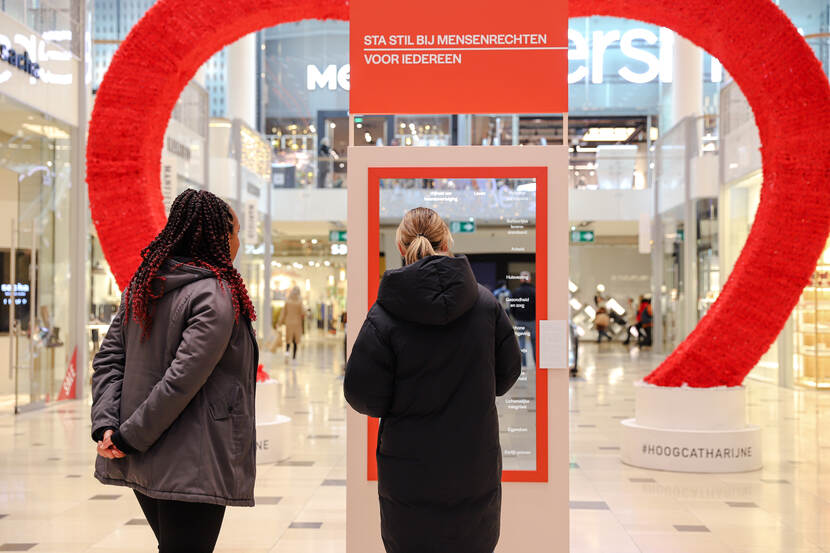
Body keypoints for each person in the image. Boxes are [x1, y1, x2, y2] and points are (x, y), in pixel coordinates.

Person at [344, 207, 521, 553]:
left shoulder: (385, 313)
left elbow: (362, 393)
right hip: (474, 464)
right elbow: (507, 374)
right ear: (448, 242)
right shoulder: (486, 306)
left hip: (408, 470)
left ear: (400, 247)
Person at [90, 189, 258, 553]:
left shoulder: (144, 285)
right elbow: (180, 382)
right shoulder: (214, 295)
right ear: (219, 234)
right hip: (192, 463)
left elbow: (108, 360)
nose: (239, 242)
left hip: (141, 457)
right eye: (237, 232)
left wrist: (109, 427)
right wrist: (126, 437)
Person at [514, 271, 537, 367]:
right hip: (532, 320)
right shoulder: (535, 291)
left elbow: (512, 306)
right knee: (534, 342)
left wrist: (516, 316)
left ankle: (523, 365)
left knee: (521, 342)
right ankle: (536, 364)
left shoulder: (516, 291)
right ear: (529, 279)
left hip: (520, 320)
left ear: (520, 279)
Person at [279, 286, 305, 362]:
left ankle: (287, 353)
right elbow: (303, 312)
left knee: (288, 339)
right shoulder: (299, 301)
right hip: (297, 323)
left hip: (289, 322)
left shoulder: (288, 301)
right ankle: (294, 357)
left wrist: (280, 322)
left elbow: (283, 313)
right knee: (295, 340)